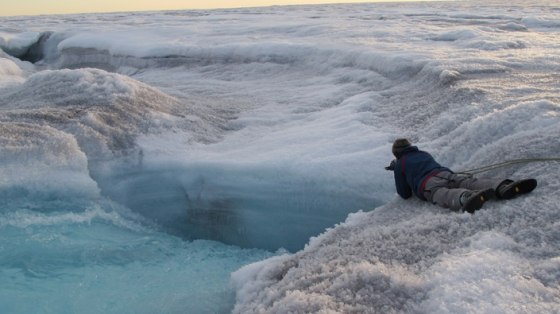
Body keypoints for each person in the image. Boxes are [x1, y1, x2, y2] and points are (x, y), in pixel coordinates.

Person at [385, 138, 537, 213]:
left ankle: (465, 197)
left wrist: (398, 169)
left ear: (396, 153)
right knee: (469, 181)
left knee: (442, 194)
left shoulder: (400, 164)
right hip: (445, 173)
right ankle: (502, 187)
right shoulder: (423, 153)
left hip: (429, 184)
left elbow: (404, 193)